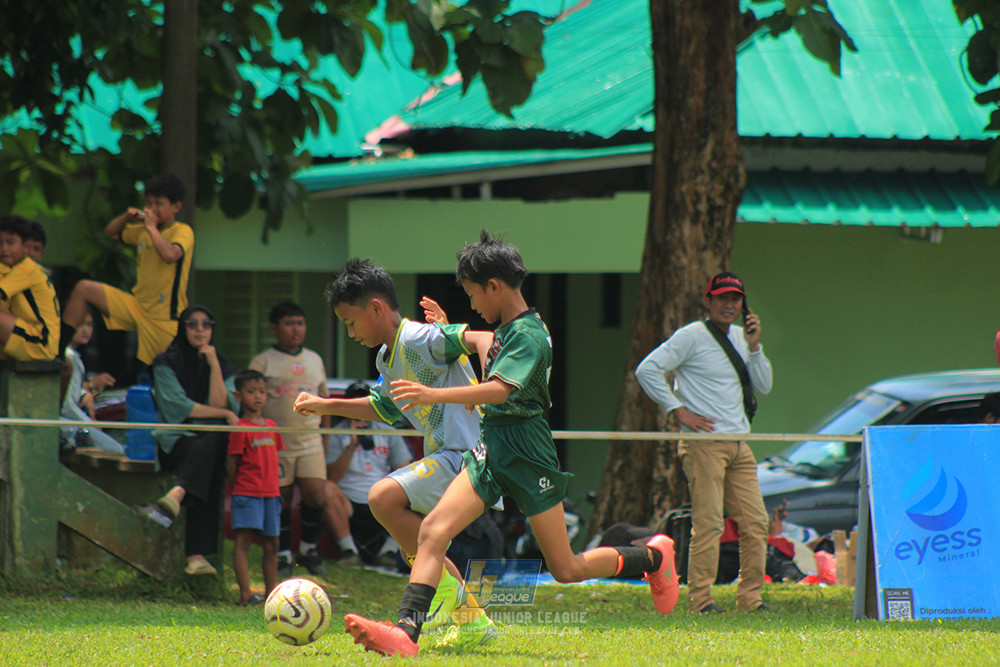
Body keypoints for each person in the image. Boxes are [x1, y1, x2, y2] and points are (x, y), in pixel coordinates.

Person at [338, 231, 679, 657]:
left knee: (566, 567)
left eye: (472, 294)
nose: (472, 305)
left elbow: (499, 390)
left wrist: (433, 395)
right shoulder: (503, 331)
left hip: (528, 450)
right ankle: (407, 632)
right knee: (433, 531)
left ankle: (652, 559)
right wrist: (446, 333)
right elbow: (482, 371)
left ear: (494, 287)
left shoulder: (529, 334)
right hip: (491, 445)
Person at [293, 258, 498, 648]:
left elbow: (482, 339)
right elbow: (384, 408)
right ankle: (469, 616)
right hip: (452, 454)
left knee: (383, 497)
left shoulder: (419, 337)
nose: (350, 333)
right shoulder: (386, 357)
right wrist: (325, 404)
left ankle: (443, 595)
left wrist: (488, 385)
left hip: (469, 454)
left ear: (376, 308)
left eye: (351, 323)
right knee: (416, 534)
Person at [635, 270, 773, 614]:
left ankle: (751, 598)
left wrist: (755, 348)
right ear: (708, 301)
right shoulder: (692, 336)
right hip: (703, 444)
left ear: (743, 305)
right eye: (722, 298)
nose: (729, 304)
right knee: (709, 523)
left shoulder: (744, 338)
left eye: (735, 299)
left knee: (756, 524)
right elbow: (647, 370)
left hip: (740, 443)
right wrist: (677, 410)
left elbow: (765, 385)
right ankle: (701, 600)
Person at [60, 174, 194, 366]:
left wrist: (151, 228)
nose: (152, 209)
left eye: (159, 203)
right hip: (136, 306)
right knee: (83, 288)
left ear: (176, 207)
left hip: (163, 318)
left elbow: (170, 255)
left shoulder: (182, 231)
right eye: (148, 203)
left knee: (160, 373)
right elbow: (111, 233)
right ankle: (60, 349)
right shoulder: (143, 230)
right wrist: (126, 217)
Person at [152, 304, 239, 576]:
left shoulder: (223, 364)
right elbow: (180, 407)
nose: (200, 330)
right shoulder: (165, 362)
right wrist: (224, 413)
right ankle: (196, 555)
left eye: (207, 324)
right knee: (210, 451)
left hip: (206, 443)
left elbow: (217, 399)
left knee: (210, 447)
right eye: (193, 324)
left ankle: (177, 494)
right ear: (182, 328)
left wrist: (212, 364)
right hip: (175, 440)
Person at [249, 301, 330, 578]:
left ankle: (309, 549)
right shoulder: (263, 361)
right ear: (275, 328)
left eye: (300, 323)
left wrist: (326, 439)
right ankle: (282, 553)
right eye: (288, 323)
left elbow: (325, 401)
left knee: (315, 495)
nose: (296, 329)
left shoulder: (315, 359)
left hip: (310, 442)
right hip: (276, 445)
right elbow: (251, 403)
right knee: (280, 499)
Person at [324, 381, 413, 565]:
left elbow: (405, 468)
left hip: (380, 498)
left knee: (413, 488)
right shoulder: (336, 432)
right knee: (326, 489)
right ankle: (349, 551)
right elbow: (332, 477)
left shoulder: (388, 431)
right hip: (348, 500)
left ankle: (389, 552)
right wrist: (352, 444)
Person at [226, 369, 284, 606]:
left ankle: (272, 595)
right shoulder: (240, 427)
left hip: (271, 493)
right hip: (247, 493)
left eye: (261, 391)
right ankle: (245, 594)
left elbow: (277, 457)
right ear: (239, 396)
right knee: (244, 542)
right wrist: (237, 486)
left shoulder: (271, 425)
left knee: (272, 544)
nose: (257, 397)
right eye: (251, 392)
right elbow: (232, 462)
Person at [60, 310, 122, 453]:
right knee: (116, 450)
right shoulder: (68, 356)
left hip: (72, 421)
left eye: (89, 325)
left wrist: (84, 394)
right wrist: (92, 424)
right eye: (80, 325)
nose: (85, 330)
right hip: (66, 425)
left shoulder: (73, 355)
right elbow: (67, 407)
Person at [0, 215, 60, 361]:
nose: (4, 249)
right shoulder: (10, 269)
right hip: (26, 335)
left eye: (11, 242)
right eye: (0, 243)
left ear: (25, 247)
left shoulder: (27, 269)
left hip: (40, 342)